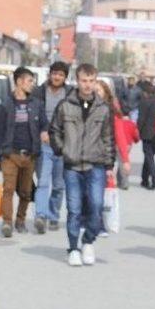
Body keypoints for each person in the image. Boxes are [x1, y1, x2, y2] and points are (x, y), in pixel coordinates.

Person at [50, 63, 115, 267]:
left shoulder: (103, 109)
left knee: (95, 206)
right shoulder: (65, 105)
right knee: (74, 208)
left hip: (95, 164)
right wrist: (62, 149)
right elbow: (54, 131)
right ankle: (73, 248)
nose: (87, 85)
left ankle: (88, 241)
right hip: (72, 165)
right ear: (77, 81)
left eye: (91, 81)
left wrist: (109, 163)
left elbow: (108, 138)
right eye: (84, 81)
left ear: (96, 81)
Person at [0, 67, 49, 238]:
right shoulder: (7, 104)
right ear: (19, 82)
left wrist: (44, 131)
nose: (32, 85)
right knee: (8, 189)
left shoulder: (36, 104)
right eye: (30, 81)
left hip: (30, 155)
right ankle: (7, 223)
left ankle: (20, 220)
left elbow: (44, 123)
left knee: (25, 191)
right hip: (11, 154)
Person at [32, 61, 73, 234]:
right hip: (44, 144)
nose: (57, 77)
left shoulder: (71, 94)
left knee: (58, 185)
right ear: (49, 74)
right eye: (54, 73)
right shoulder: (39, 92)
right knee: (42, 182)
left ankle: (54, 215)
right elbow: (33, 113)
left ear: (65, 77)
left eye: (61, 75)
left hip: (63, 145)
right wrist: (42, 130)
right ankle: (40, 216)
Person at [96, 80, 139, 191]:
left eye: (98, 90)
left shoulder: (111, 111)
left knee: (101, 192)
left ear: (105, 92)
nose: (95, 93)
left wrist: (125, 160)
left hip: (104, 156)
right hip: (85, 156)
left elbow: (120, 136)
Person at [138, 81, 155, 190]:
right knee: (148, 156)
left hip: (146, 133)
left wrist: (138, 130)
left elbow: (141, 118)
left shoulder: (144, 102)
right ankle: (144, 179)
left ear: (145, 93)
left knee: (149, 157)